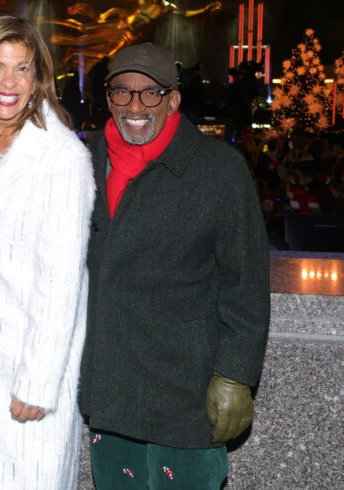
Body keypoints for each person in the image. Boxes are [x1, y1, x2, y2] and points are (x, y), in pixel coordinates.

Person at [79, 42, 270, 488]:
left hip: (185, 395)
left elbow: (246, 283)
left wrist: (236, 374)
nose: (136, 105)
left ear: (174, 99)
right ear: (108, 99)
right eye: (122, 92)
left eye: (151, 93)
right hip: (110, 389)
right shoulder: (84, 162)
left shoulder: (219, 170)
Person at [0, 15, 95, 489]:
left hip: (27, 364)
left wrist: (38, 379)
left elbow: (62, 278)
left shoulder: (60, 157)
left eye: (22, 69)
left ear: (37, 78)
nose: (8, 82)